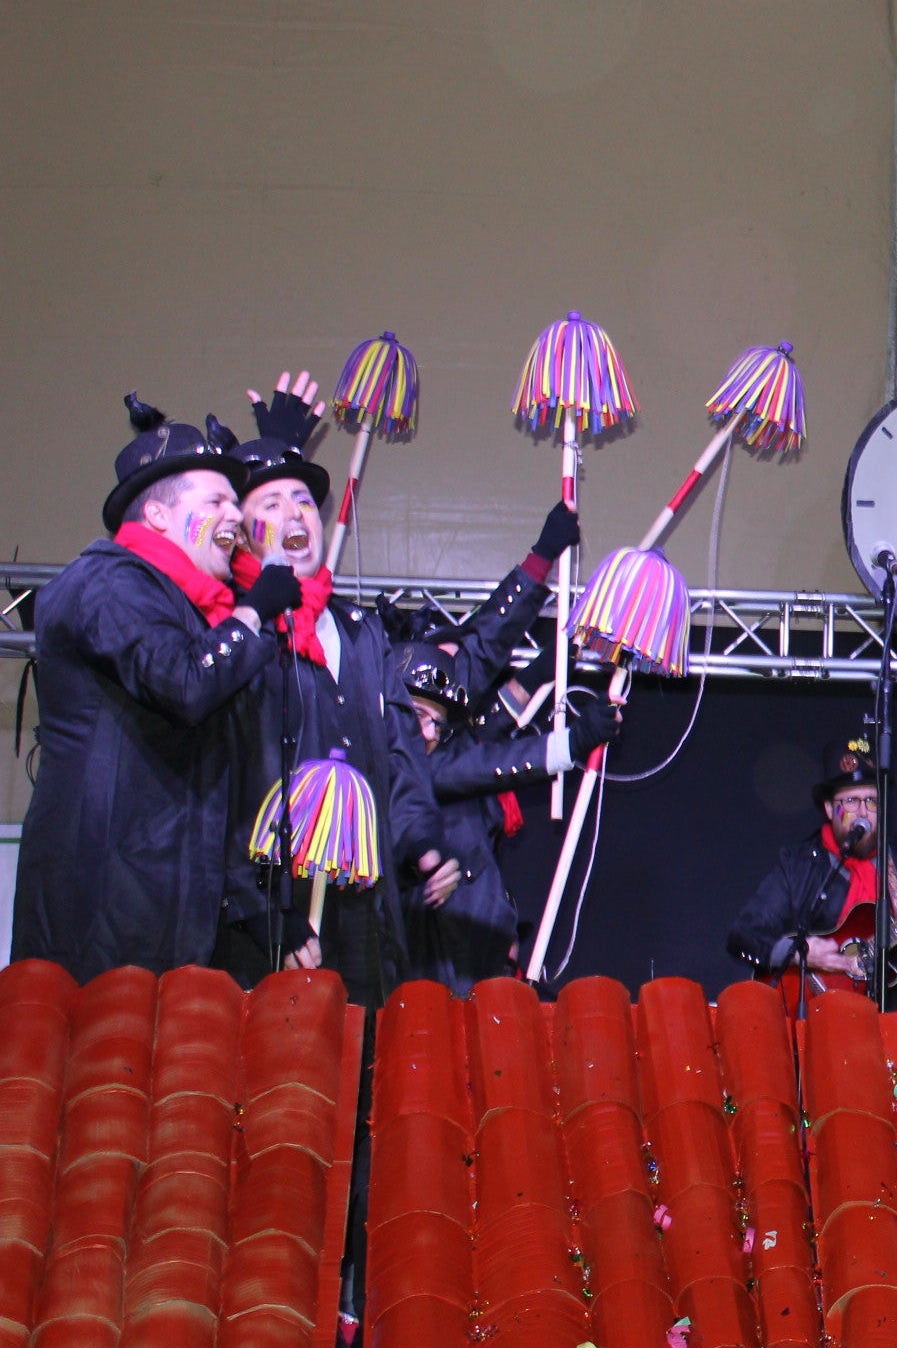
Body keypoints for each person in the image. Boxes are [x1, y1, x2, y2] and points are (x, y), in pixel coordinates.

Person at [16, 397, 303, 978]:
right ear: (157, 517)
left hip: (164, 907)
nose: (236, 516)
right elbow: (184, 683)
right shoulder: (108, 582)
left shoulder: (187, 608)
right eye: (217, 500)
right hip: (100, 910)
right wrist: (251, 616)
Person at [214, 375, 440, 1005]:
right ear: (241, 529)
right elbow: (220, 781)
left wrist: (421, 843)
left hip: (363, 910)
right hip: (269, 919)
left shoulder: (360, 630)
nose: (295, 514)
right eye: (273, 504)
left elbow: (399, 756)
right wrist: (262, 905)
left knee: (363, 1076)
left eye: (304, 501)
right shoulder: (234, 628)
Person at [393, 641, 619, 992]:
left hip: (479, 939)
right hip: (439, 950)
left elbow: (493, 721)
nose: (428, 732)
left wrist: (541, 671)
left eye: (436, 722)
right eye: (422, 715)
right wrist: (573, 742)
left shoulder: (449, 743)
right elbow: (489, 764)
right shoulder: (417, 768)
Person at [729, 735, 897, 999]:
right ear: (829, 809)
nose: (863, 812)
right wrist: (798, 953)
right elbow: (743, 936)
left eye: (872, 801)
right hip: (813, 1015)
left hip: (889, 1016)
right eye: (850, 802)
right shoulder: (798, 866)